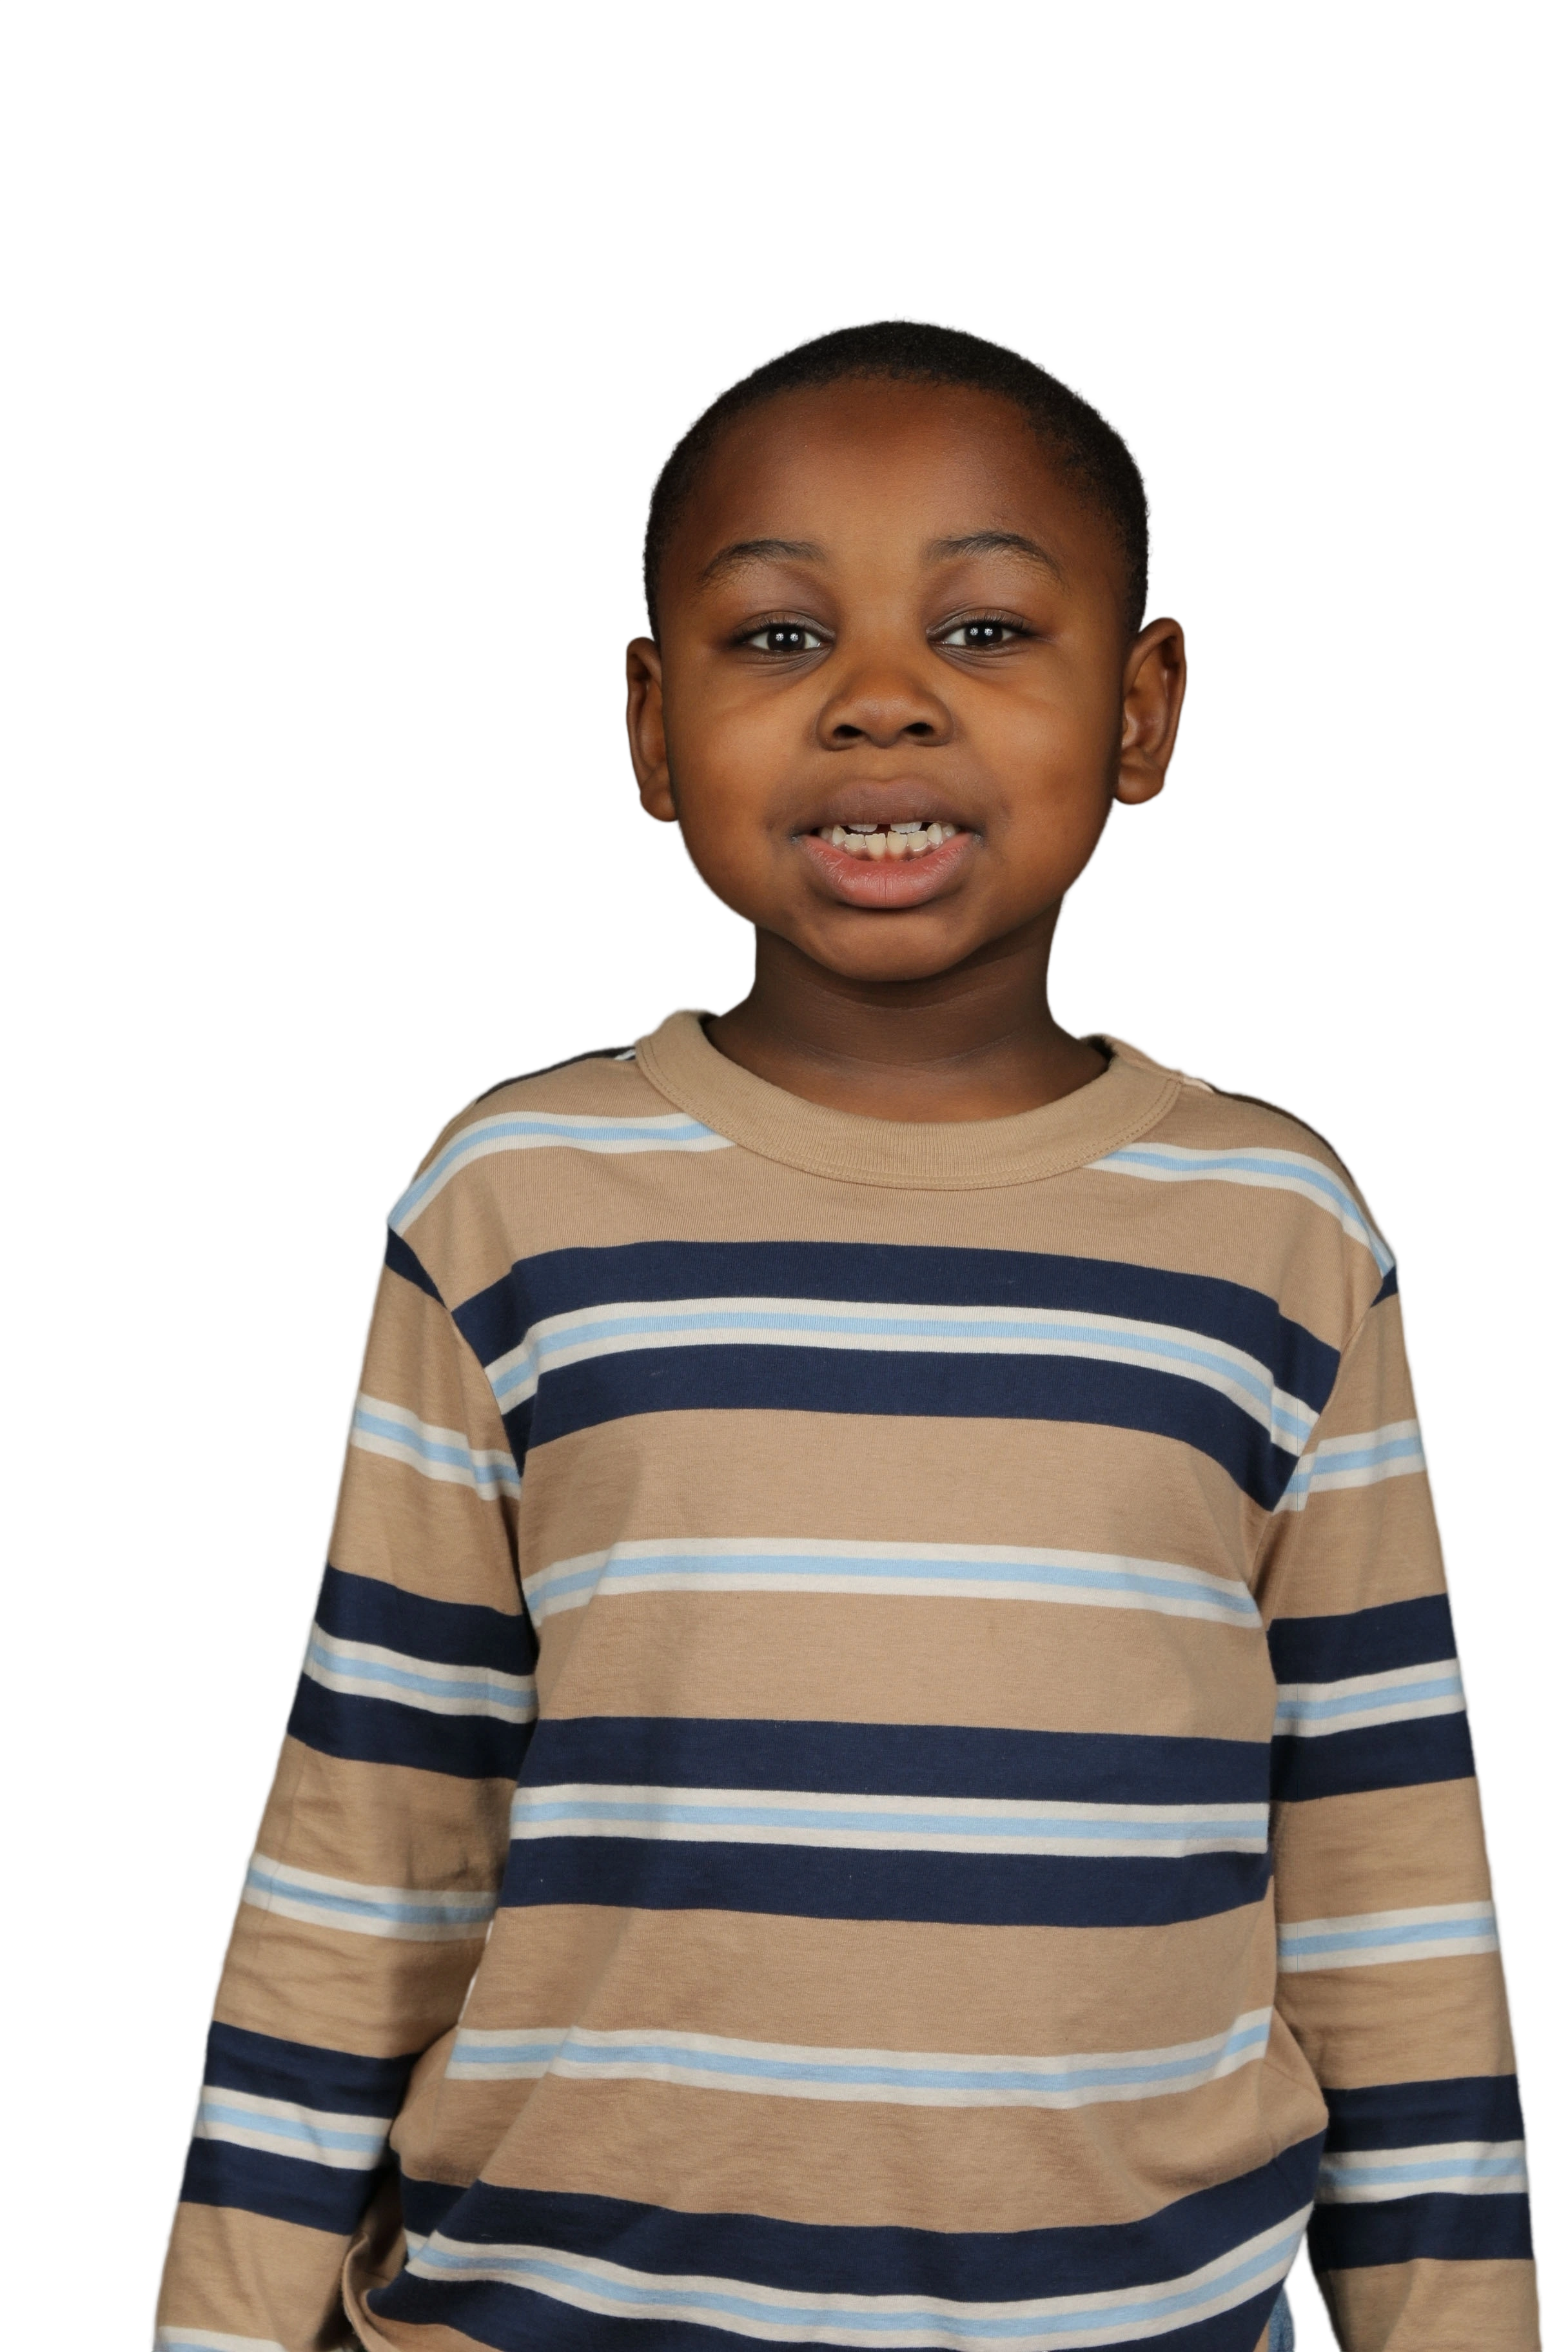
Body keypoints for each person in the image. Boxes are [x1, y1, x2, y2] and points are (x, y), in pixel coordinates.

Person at [148, 313, 1541, 2352]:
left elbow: (1389, 1888)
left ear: (1144, 708)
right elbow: (369, 1845)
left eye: (984, 630)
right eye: (780, 637)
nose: (881, 703)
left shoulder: (1284, 1242)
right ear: (652, 725)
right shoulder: (507, 1206)